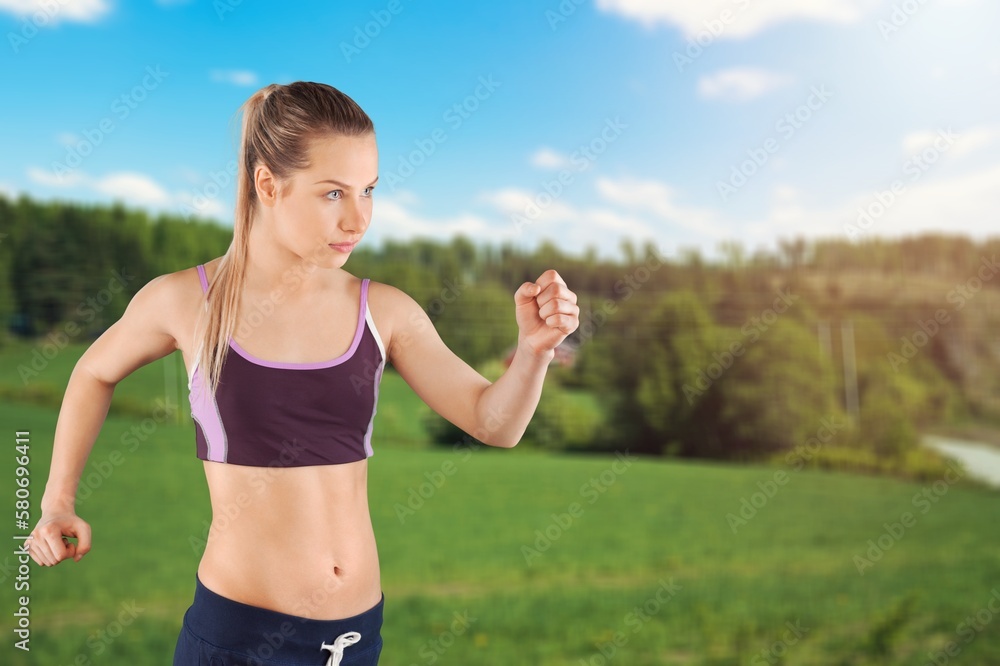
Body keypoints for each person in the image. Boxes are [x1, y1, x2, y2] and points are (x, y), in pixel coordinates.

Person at [26, 81, 580, 666]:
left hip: (355, 640)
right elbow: (91, 373)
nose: (358, 217)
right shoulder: (185, 302)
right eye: (333, 193)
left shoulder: (384, 311)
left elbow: (495, 423)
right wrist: (57, 500)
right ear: (268, 184)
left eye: (369, 190)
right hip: (240, 640)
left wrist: (536, 350)